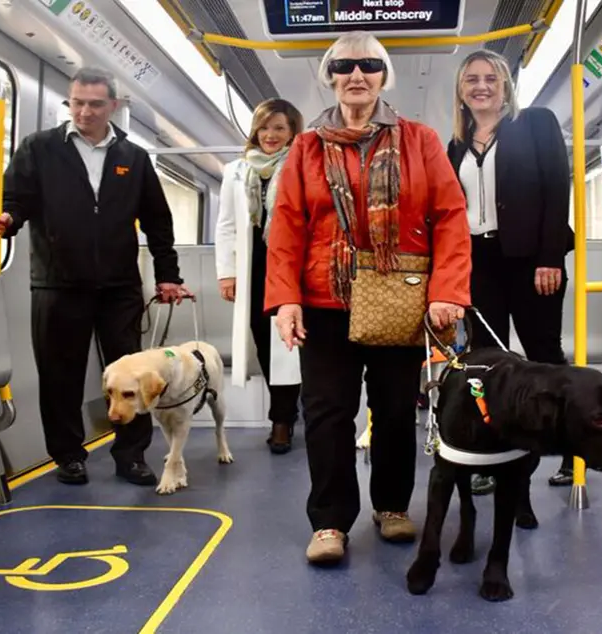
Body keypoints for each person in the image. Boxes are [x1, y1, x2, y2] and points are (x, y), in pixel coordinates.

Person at [265, 31, 472, 565]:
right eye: (345, 66)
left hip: (398, 298)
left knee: (397, 410)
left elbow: (450, 217)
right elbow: (286, 227)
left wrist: (447, 291)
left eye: (369, 65)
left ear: (384, 76)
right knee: (328, 413)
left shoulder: (420, 140)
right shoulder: (306, 148)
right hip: (323, 301)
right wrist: (285, 300)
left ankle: (392, 506)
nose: (357, 75)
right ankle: (330, 521)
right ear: (331, 77)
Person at [0, 67, 191, 487]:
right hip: (57, 283)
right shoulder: (39, 148)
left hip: (119, 287)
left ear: (113, 106)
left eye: (95, 104)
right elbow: (15, 199)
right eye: (76, 102)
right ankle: (68, 456)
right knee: (59, 375)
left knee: (132, 378)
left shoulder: (133, 157)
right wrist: (7, 219)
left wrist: (168, 275)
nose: (84, 112)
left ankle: (131, 456)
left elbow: (158, 222)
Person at [445, 50, 575, 494]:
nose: (481, 86)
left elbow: (558, 190)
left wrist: (550, 257)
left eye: (490, 78)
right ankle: (491, 453)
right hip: (479, 264)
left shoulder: (536, 123)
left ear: (505, 85)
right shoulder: (456, 144)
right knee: (485, 361)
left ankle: (569, 451)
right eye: (471, 80)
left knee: (544, 354)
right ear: (461, 92)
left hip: (530, 259)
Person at [215, 98, 304, 454]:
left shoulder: (302, 165)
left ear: (292, 131)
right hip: (254, 264)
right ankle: (282, 415)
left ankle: (285, 419)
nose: (270, 135)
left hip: (292, 263)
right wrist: (227, 273)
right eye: (264, 127)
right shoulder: (235, 170)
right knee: (266, 347)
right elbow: (225, 225)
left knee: (292, 345)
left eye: (279, 128)